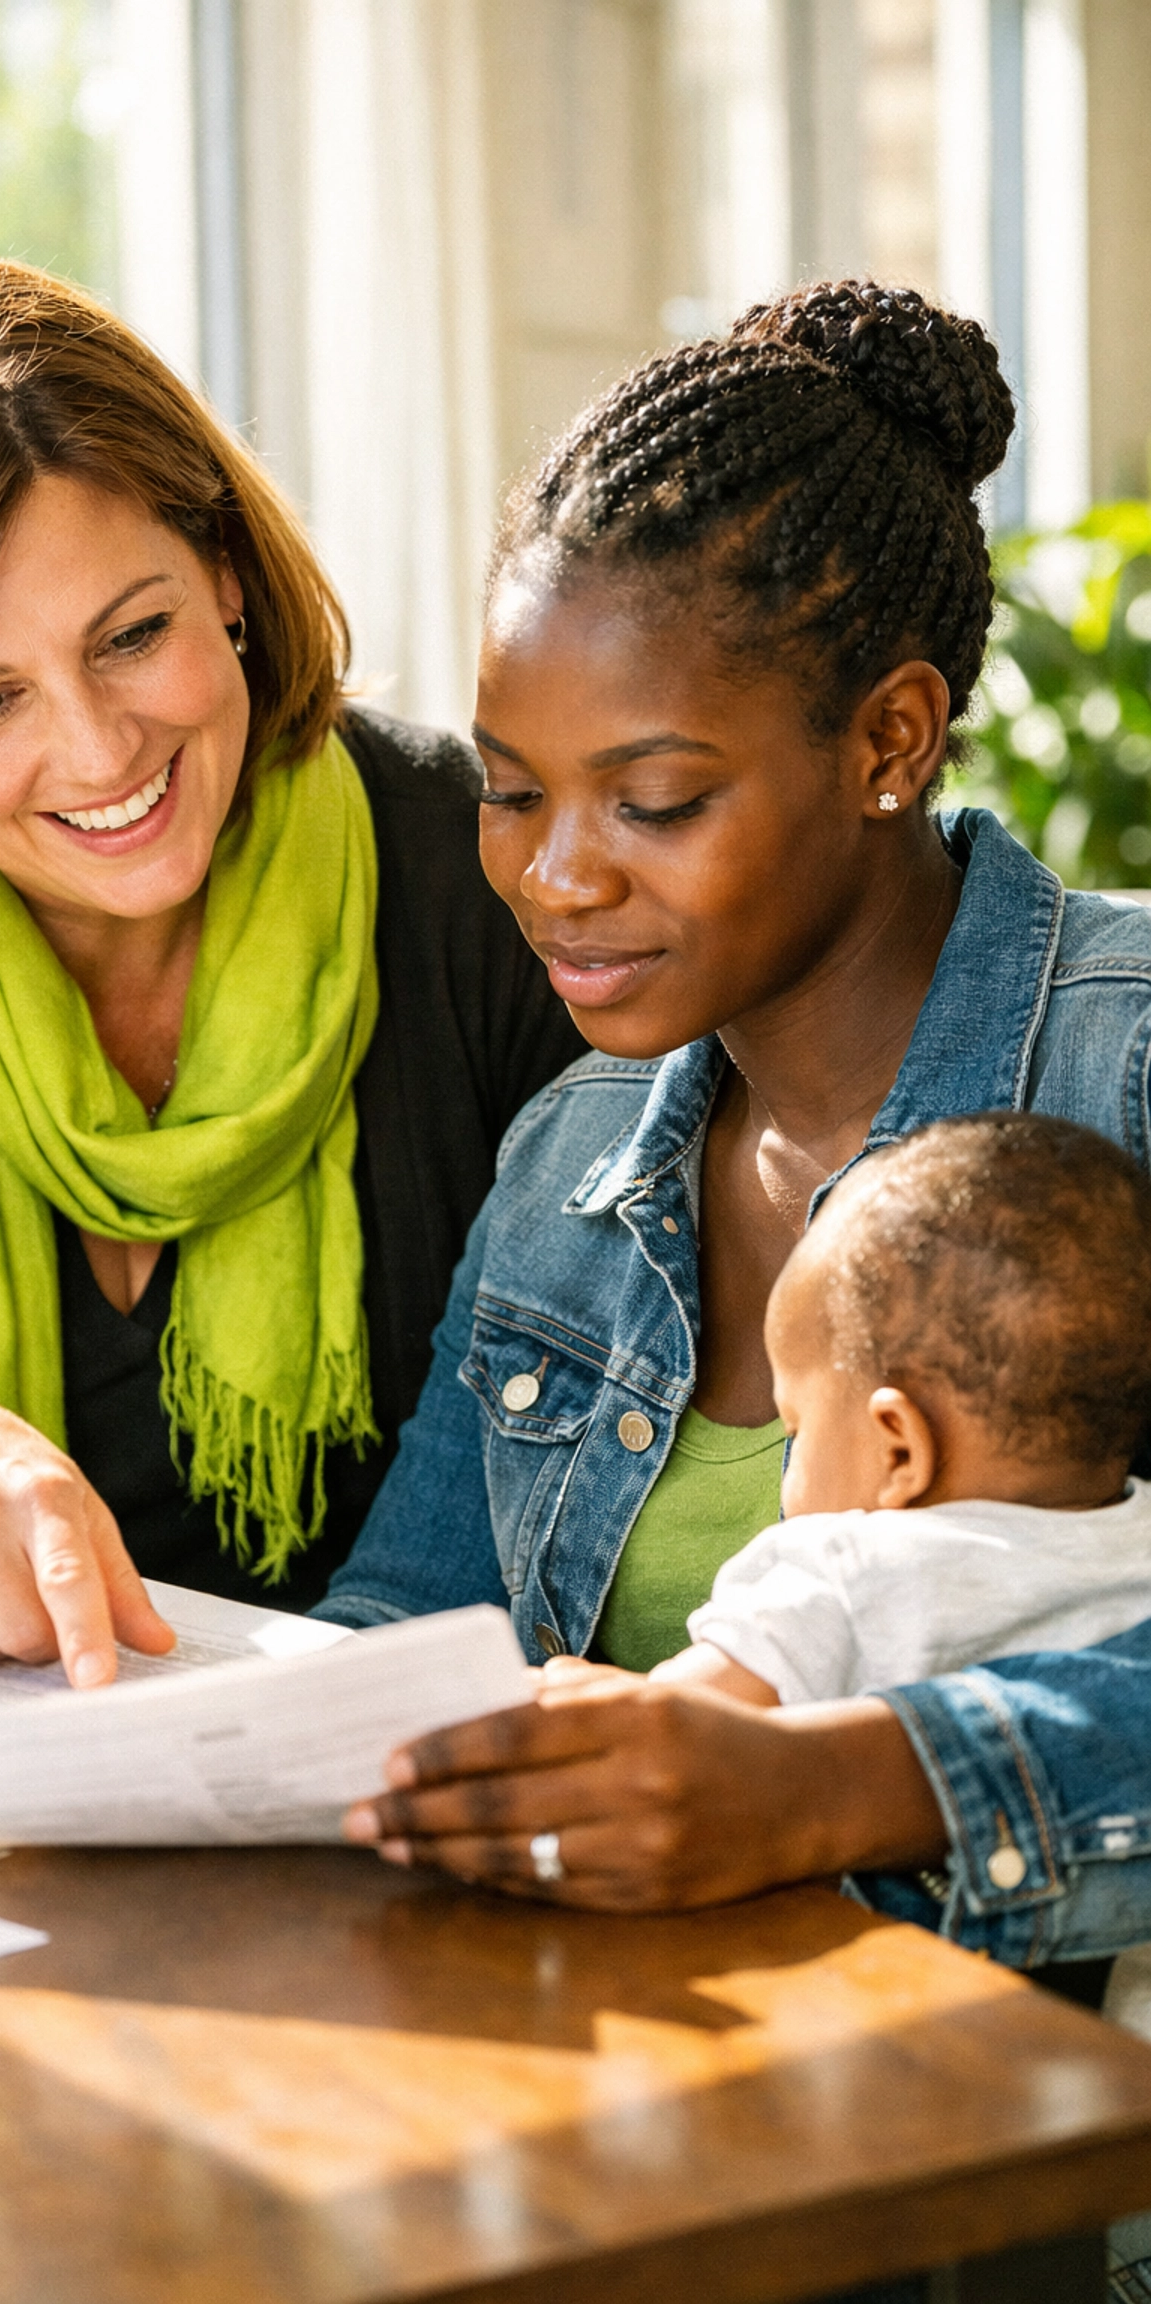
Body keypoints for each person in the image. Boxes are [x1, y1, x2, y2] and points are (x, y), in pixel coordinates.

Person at [326, 279, 1151, 1968]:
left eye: (655, 801)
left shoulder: (1124, 1068)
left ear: (889, 739)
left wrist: (828, 1785)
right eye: (509, 788)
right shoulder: (572, 1154)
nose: (553, 875)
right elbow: (401, 1633)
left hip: (1063, 2198)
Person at [0, 257, 581, 1688]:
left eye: (133, 635)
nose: (98, 750)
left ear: (230, 579)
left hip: (392, 1757)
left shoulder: (467, 860)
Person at [625, 1112, 1151, 1707]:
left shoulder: (843, 1582)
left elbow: (663, 1729)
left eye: (797, 1426)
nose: (792, 1455)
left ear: (898, 1449)